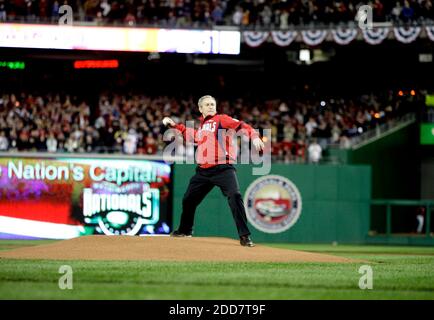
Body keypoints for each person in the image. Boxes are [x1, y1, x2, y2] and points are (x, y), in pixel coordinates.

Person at [162, 95, 264, 247]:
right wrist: (174, 125)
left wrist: (254, 137)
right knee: (188, 199)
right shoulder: (203, 127)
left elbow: (242, 126)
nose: (211, 106)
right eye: (207, 104)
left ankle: (245, 236)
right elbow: (193, 135)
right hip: (203, 171)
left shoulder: (221, 119)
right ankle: (185, 230)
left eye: (212, 104)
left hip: (223, 168)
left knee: (234, 196)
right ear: (200, 108)